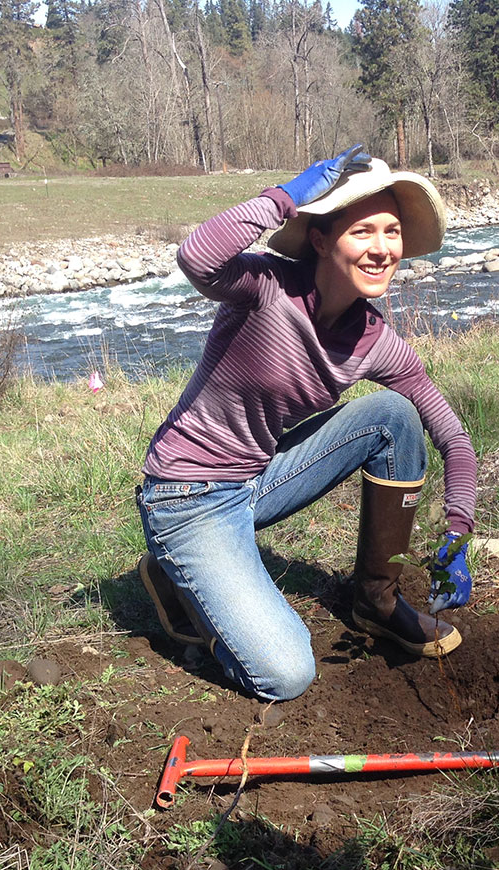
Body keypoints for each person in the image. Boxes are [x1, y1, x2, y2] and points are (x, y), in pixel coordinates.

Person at [133, 145, 476, 703]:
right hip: (187, 495)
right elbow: (197, 256)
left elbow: (453, 439)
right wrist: (287, 196)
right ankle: (181, 587)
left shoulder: (373, 340)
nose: (383, 249)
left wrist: (458, 530)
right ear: (321, 239)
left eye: (392, 233)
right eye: (363, 231)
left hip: (257, 479)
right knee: (286, 675)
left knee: (393, 414)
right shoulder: (265, 287)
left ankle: (376, 601)